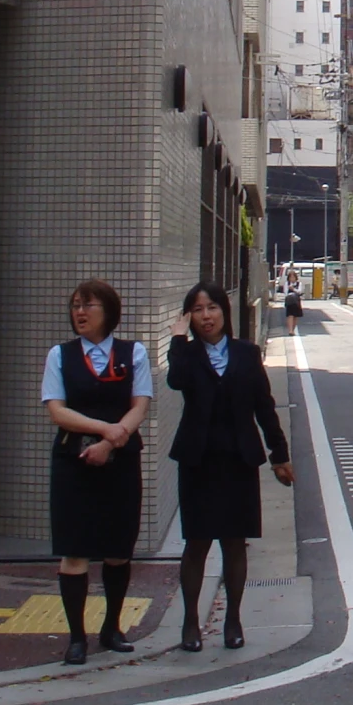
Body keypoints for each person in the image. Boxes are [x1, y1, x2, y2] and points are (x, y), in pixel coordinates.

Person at [166, 281, 292, 652]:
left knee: (235, 543)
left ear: (225, 312)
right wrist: (176, 339)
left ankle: (233, 619)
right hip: (198, 460)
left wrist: (279, 454)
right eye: (198, 310)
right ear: (189, 316)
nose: (206, 316)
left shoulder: (246, 353)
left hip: (238, 458)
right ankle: (190, 621)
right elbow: (175, 380)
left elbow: (264, 407)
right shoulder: (187, 356)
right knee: (197, 543)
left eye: (213, 308)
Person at [42, 279, 153, 665]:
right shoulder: (60, 355)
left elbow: (140, 405)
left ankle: (111, 627)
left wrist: (111, 442)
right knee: (74, 551)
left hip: (121, 460)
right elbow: (57, 410)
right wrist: (105, 430)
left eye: (88, 305)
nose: (80, 312)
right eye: (75, 305)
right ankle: (76, 637)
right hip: (72, 461)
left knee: (117, 550)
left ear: (109, 311)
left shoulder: (133, 352)